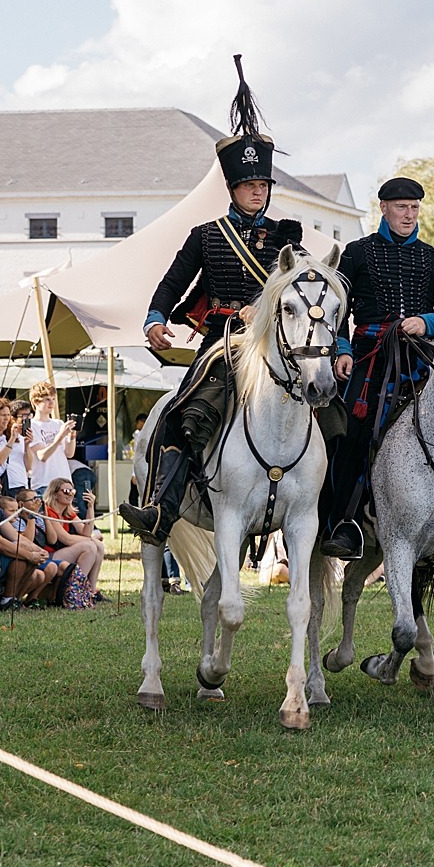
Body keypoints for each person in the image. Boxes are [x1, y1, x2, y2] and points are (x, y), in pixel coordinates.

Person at [120, 56, 304, 546]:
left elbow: (301, 285)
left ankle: (332, 515)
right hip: (221, 344)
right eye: (249, 184)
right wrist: (155, 318)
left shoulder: (287, 235)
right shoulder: (207, 235)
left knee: (328, 410)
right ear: (233, 187)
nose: (257, 191)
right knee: (186, 414)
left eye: (263, 184)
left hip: (274, 343)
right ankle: (162, 507)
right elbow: (171, 283)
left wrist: (264, 309)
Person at [319, 176, 434, 560]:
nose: (409, 214)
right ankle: (343, 524)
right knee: (352, 431)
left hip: (419, 355)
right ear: (383, 208)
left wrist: (426, 322)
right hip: (367, 356)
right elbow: (336, 309)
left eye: (414, 208)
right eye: (401, 207)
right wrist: (342, 349)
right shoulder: (356, 252)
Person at [0, 467, 48, 609]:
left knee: (29, 557)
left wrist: (39, 551)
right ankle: (6, 600)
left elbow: (14, 536)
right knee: (24, 557)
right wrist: (29, 555)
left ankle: (12, 599)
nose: (0, 486)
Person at [45, 478, 107, 599]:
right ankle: (75, 590)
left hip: (62, 552)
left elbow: (86, 533)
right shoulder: (49, 511)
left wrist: (90, 507)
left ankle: (91, 591)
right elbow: (67, 539)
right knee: (89, 546)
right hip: (48, 555)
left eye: (72, 491)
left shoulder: (68, 512)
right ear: (55, 493)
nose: (70, 494)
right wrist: (92, 539)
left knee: (98, 546)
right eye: (66, 491)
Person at [25, 381, 75, 497]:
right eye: (47, 399)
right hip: (44, 483)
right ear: (36, 402)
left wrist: (72, 435)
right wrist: (60, 436)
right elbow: (42, 456)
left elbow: (69, 453)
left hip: (65, 481)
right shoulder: (32, 425)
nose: (51, 403)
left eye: (53, 399)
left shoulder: (58, 423)